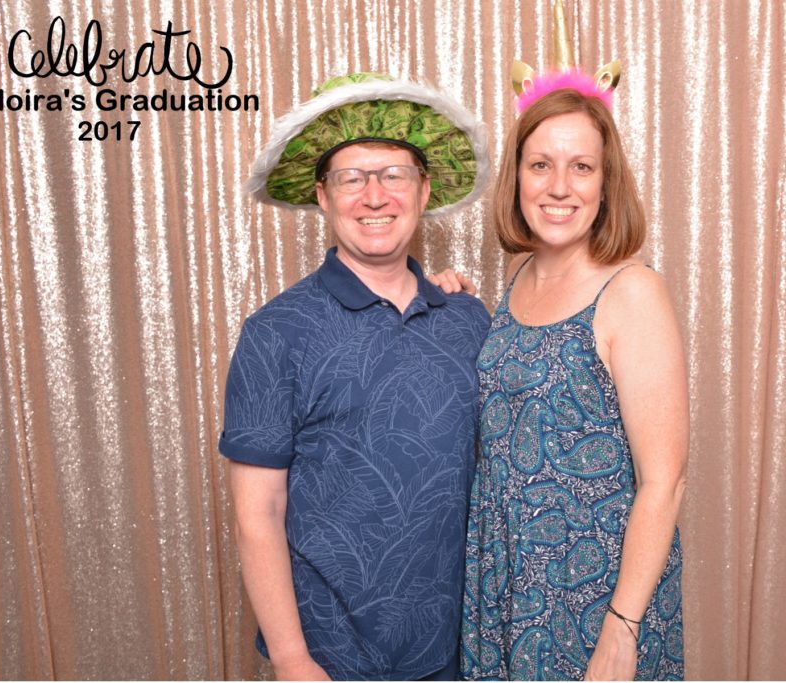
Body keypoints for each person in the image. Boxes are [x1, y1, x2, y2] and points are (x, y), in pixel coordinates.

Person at [220, 73, 492, 681]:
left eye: (394, 175)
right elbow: (257, 514)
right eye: (351, 178)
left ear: (424, 191)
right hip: (331, 654)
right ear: (323, 196)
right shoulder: (275, 333)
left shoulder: (468, 319)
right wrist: (292, 659)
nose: (375, 197)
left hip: (460, 647)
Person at [459, 77, 688, 679]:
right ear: (517, 178)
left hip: (594, 596)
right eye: (541, 165)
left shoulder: (632, 291)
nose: (559, 186)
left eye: (581, 167)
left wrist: (622, 626)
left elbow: (664, 482)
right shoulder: (519, 280)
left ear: (605, 185)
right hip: (506, 582)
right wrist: (443, 300)